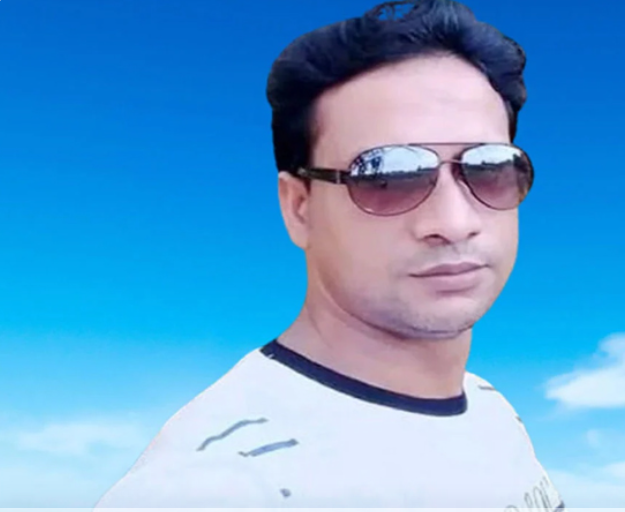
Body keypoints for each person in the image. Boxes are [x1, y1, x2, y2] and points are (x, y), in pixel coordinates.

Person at [95, 0, 564, 508]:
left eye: (488, 167)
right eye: (387, 176)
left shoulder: (491, 413)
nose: (454, 222)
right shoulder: (220, 485)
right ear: (299, 207)